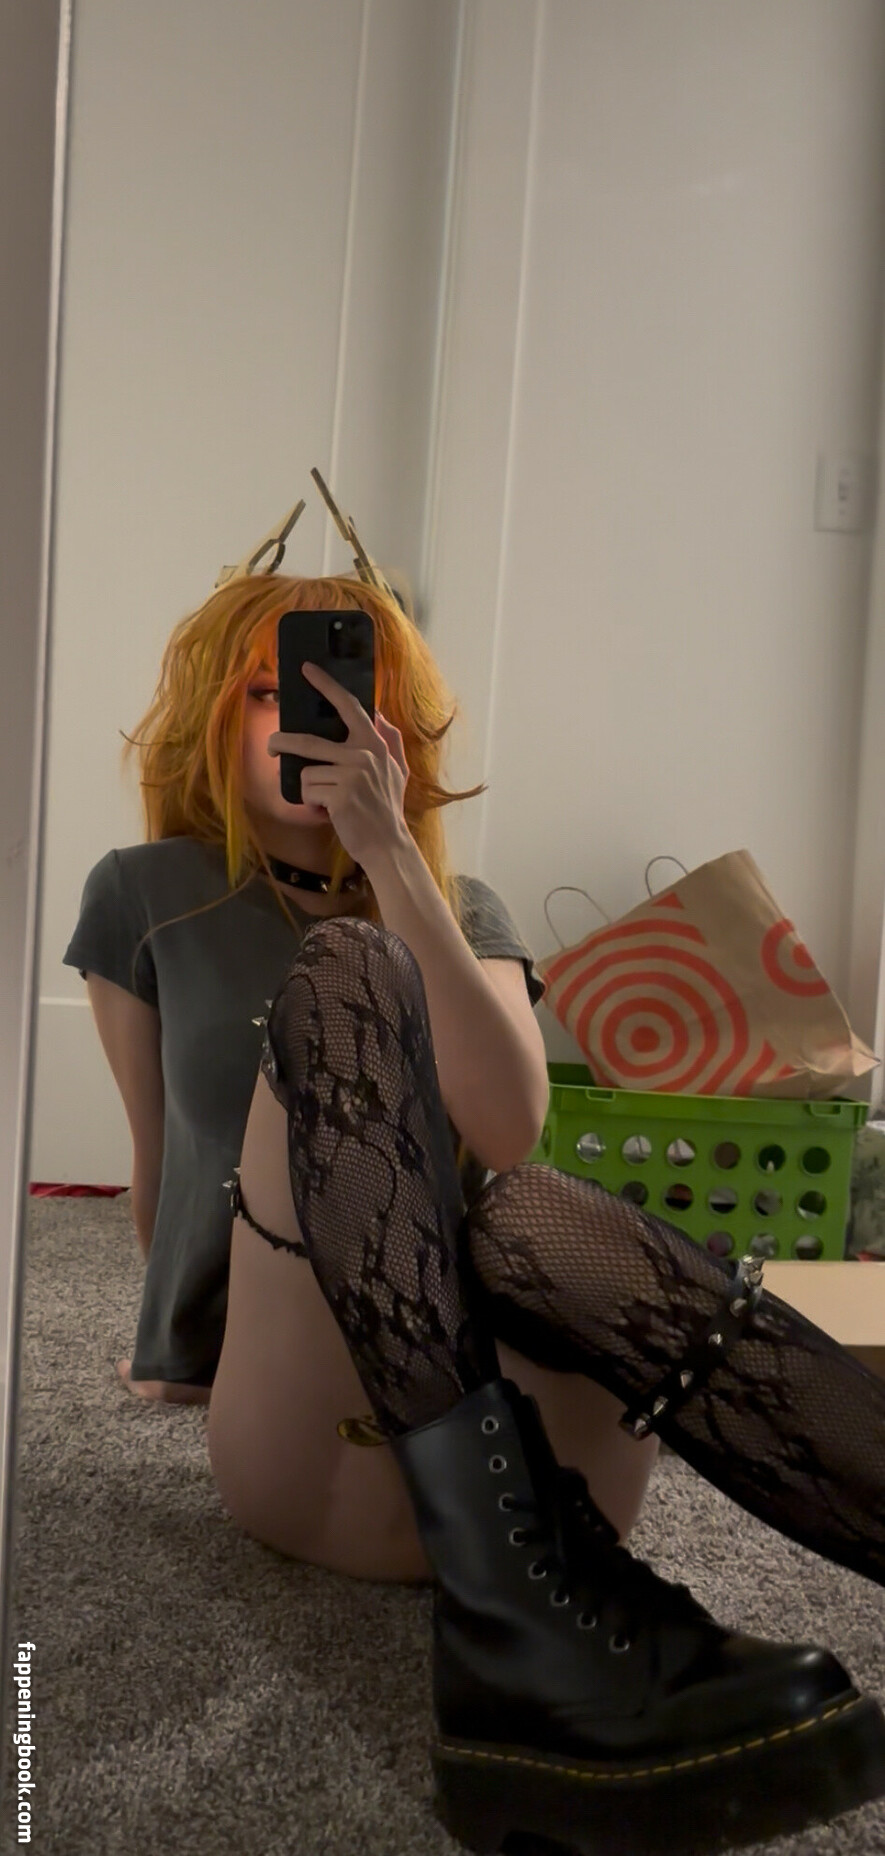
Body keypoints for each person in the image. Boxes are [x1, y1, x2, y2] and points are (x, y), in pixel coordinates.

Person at [63, 478, 885, 1856]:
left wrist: (391, 857)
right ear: (216, 712)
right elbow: (163, 1167)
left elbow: (508, 1135)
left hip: (529, 1455)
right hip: (303, 1400)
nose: (311, 715)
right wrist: (174, 1346)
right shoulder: (144, 893)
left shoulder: (459, 906)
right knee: (345, 977)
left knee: (533, 1209)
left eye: (350, 692)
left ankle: (521, 1638)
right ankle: (515, 1632)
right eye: (272, 690)